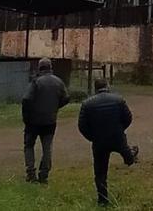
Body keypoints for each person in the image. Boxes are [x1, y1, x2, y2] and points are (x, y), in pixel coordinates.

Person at [78, 78, 139, 206]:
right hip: (117, 137)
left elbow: (82, 126)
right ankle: (131, 155)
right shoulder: (118, 100)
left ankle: (103, 200)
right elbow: (128, 117)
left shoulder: (87, 104)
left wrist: (92, 137)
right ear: (107, 86)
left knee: (100, 172)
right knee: (127, 155)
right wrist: (120, 129)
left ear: (95, 89)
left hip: (99, 141)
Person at [21, 58, 69, 184]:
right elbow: (66, 98)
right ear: (51, 67)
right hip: (50, 121)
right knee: (47, 148)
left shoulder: (36, 82)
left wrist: (26, 117)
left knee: (29, 145)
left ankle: (31, 173)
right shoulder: (58, 82)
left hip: (33, 121)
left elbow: (26, 99)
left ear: (40, 68)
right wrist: (55, 107)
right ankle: (44, 174)